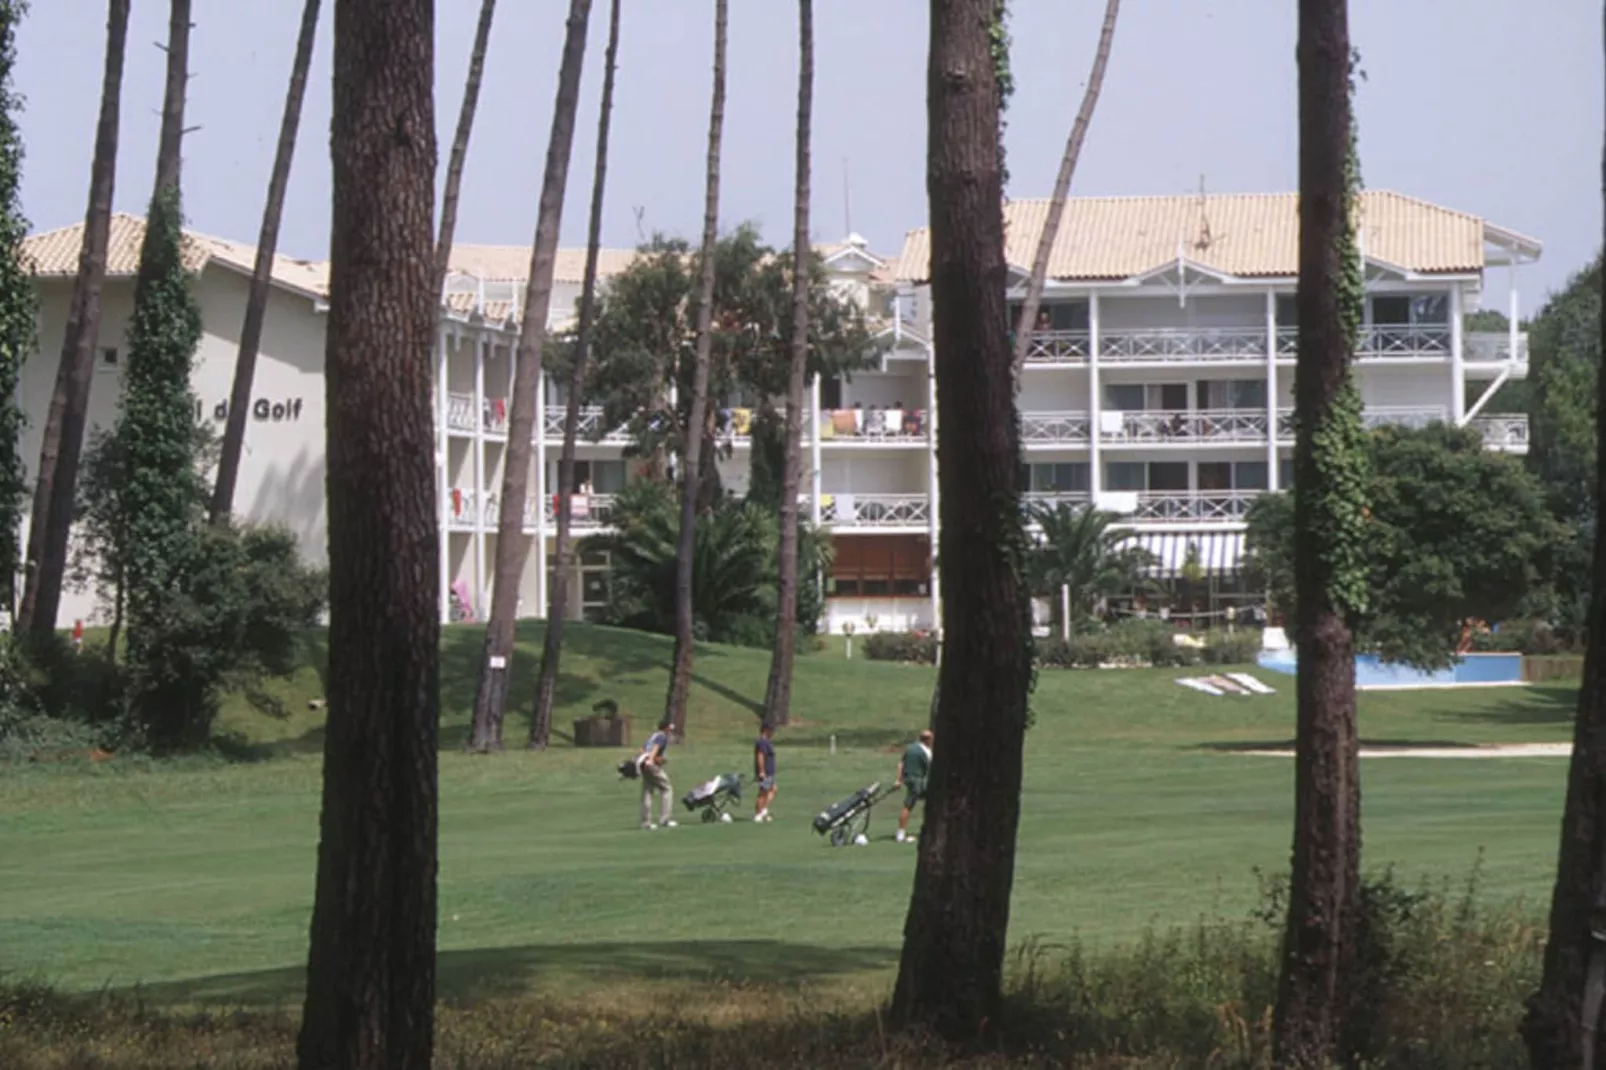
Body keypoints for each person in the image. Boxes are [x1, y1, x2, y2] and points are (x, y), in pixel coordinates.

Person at [894, 729, 933, 843]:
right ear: (928, 740)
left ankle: (901, 833)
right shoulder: (925, 751)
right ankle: (901, 834)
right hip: (918, 781)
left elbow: (901, 764)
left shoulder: (910, 748)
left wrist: (899, 779)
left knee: (909, 804)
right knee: (909, 805)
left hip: (909, 779)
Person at [637, 718, 677, 830]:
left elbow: (642, 749)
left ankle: (646, 822)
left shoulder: (652, 736)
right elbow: (655, 748)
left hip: (643, 764)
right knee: (666, 788)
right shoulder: (662, 736)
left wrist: (647, 759)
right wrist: (651, 759)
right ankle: (665, 819)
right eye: (669, 727)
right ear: (666, 727)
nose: (670, 730)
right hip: (651, 765)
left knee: (647, 792)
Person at [753, 722, 777, 822]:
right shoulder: (762, 742)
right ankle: (759, 813)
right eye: (771, 731)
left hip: (769, 773)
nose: (773, 733)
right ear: (766, 730)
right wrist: (762, 771)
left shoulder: (766, 742)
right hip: (765, 772)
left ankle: (763, 810)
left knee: (772, 790)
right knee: (763, 793)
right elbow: (760, 756)